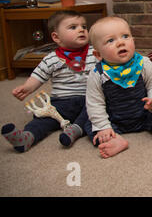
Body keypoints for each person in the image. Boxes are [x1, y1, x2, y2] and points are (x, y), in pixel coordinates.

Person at [85, 16, 152, 159]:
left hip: (144, 114)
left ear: (133, 40)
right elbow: (95, 103)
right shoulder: (97, 74)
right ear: (98, 54)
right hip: (113, 119)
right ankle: (116, 140)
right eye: (111, 40)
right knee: (91, 124)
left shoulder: (144, 63)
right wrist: (104, 127)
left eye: (125, 36)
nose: (120, 42)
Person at [2, 10, 96, 152]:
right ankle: (27, 137)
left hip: (89, 99)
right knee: (43, 119)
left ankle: (75, 130)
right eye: (73, 27)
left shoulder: (95, 52)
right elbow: (39, 75)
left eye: (84, 26)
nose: (81, 30)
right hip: (61, 102)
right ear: (56, 37)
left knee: (96, 113)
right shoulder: (51, 59)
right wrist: (27, 87)